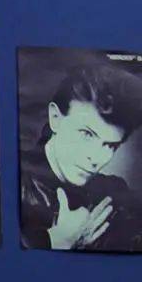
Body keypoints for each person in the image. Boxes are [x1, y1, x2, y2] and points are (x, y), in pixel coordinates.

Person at [20, 65, 142, 251]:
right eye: (87, 134)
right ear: (55, 118)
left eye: (110, 145)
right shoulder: (9, 185)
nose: (95, 158)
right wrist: (55, 242)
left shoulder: (115, 195)